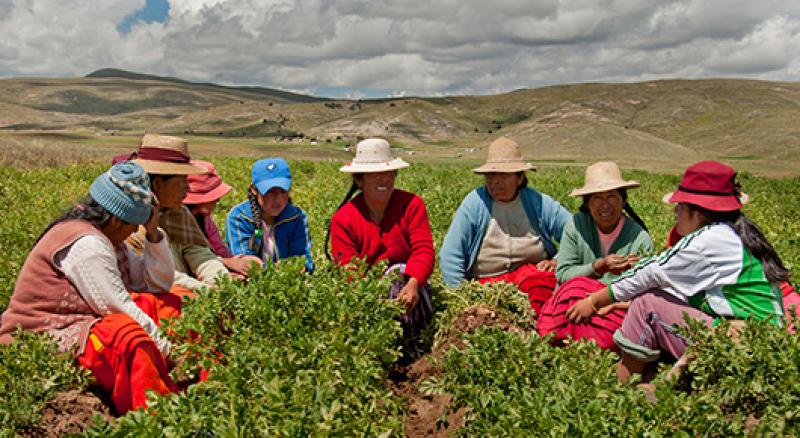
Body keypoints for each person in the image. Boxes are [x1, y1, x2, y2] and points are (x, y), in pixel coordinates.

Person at [566, 161, 790, 382]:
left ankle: (625, 380)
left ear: (699, 213)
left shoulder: (709, 239)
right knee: (645, 300)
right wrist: (621, 301)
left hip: (742, 341)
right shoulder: (732, 232)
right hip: (760, 340)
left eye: (680, 206)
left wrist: (595, 301)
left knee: (647, 303)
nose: (675, 212)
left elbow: (652, 272)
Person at [0, 162, 179, 414]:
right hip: (43, 336)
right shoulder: (87, 244)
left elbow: (157, 283)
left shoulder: (108, 238)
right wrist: (170, 352)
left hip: (83, 324)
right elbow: (117, 307)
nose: (133, 231)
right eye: (132, 225)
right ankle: (158, 410)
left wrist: (153, 233)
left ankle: (184, 379)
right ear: (116, 219)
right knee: (126, 334)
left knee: (167, 302)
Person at [327, 138, 435, 360]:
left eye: (388, 174)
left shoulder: (412, 205)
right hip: (368, 294)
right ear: (359, 180)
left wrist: (413, 283)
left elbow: (423, 250)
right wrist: (373, 298)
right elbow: (348, 270)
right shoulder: (344, 219)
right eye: (374, 174)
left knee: (399, 272)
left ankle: (414, 344)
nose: (383, 180)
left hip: (411, 287)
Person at [439, 137, 571, 315]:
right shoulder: (475, 203)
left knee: (543, 288)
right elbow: (451, 253)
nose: (495, 182)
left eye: (503, 175)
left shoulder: (537, 203)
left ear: (519, 178)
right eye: (491, 175)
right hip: (486, 283)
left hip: (532, 277)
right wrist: (461, 299)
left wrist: (558, 260)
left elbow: (574, 233)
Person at [537, 161, 653, 350]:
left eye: (612, 197)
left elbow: (641, 291)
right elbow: (562, 273)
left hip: (608, 308)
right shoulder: (575, 226)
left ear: (623, 201)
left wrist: (601, 297)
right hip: (573, 301)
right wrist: (599, 267)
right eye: (597, 198)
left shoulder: (639, 238)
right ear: (588, 204)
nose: (605, 205)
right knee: (573, 289)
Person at [128, 134, 232, 290]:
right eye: (181, 181)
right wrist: (206, 292)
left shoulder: (179, 212)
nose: (187, 188)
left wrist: (221, 282)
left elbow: (197, 252)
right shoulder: (129, 224)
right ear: (157, 184)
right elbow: (160, 275)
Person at [225, 158, 314, 273]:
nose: (278, 199)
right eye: (270, 192)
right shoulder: (239, 218)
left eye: (282, 191)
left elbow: (304, 256)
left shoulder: (297, 217)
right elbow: (243, 262)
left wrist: (302, 267)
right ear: (254, 189)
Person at [184, 160, 263, 277]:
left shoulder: (205, 220)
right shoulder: (240, 216)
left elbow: (220, 251)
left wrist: (241, 261)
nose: (218, 200)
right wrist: (226, 265)